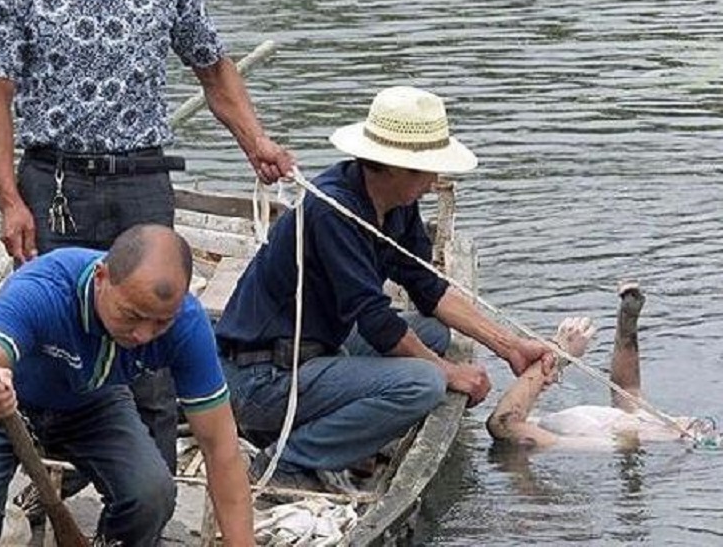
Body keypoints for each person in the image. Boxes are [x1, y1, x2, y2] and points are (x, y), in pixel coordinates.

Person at [0, 0, 292, 482]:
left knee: (151, 332)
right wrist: (9, 200)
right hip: (55, 181)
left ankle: (152, 495)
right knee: (56, 327)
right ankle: (51, 477)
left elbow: (215, 72)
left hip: (142, 181)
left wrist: (257, 143)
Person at [214, 85, 553, 491]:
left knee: (433, 332)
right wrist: (447, 371)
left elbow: (427, 287)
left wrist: (510, 346)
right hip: (262, 377)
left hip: (317, 347)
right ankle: (290, 459)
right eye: (427, 171)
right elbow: (375, 320)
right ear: (396, 167)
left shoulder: (397, 203)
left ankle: (345, 430)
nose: (432, 183)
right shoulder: (333, 211)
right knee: (423, 383)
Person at [0, 225, 254, 546]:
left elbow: (221, 450)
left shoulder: (187, 324)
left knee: (151, 496)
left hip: (91, 400)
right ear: (101, 278)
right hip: (1, 402)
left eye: (161, 322)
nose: (143, 335)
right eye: (132, 315)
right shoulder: (42, 290)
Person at [486, 280, 707, 449]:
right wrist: (628, 321)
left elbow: (505, 425)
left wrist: (558, 355)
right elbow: (626, 390)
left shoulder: (601, 442)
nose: (695, 423)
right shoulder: (639, 422)